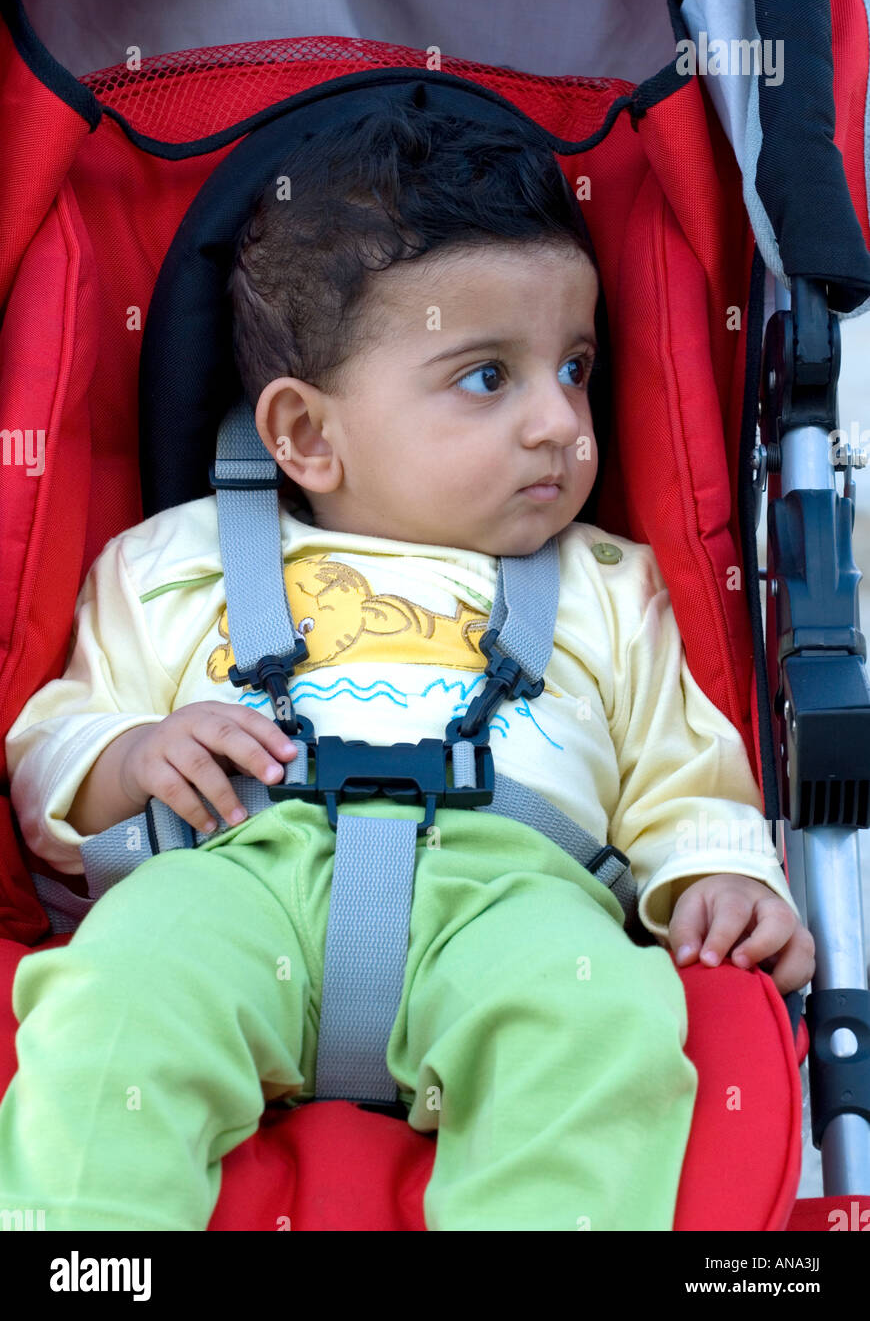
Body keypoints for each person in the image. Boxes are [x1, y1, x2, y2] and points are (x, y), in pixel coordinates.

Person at [0, 102, 814, 1232]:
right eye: (489, 377)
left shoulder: (610, 586)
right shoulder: (172, 561)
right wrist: (132, 754)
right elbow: (50, 753)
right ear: (307, 435)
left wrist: (722, 881)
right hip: (236, 872)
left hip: (512, 892)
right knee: (114, 993)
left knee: (601, 1024)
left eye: (575, 368)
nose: (559, 423)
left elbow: (684, 776)